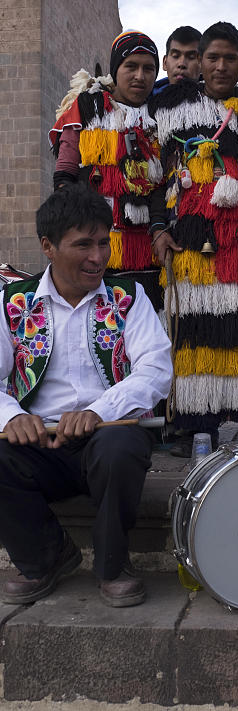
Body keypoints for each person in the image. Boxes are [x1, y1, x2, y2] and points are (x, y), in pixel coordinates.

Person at [0, 187, 173, 607]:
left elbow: (156, 371)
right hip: (42, 444)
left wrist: (97, 411)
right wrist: (11, 416)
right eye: (83, 245)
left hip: (110, 433)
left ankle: (114, 564)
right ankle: (46, 556)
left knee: (119, 448)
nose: (98, 257)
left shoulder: (128, 299)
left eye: (103, 243)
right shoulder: (12, 304)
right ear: (48, 247)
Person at [149, 22, 238, 455]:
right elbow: (156, 180)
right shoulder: (169, 110)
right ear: (198, 61)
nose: (221, 66)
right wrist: (158, 229)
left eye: (231, 58)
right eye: (212, 57)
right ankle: (196, 424)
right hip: (192, 240)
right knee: (195, 329)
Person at [49, 31, 164, 310]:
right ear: (116, 69)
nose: (140, 76)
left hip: (149, 251)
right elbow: (64, 174)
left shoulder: (161, 115)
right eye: (131, 66)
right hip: (95, 249)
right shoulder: (87, 106)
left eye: (149, 68)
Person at [152, 25, 202, 94]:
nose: (181, 64)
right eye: (175, 56)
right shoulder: (146, 101)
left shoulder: (219, 102)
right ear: (165, 63)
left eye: (191, 57)